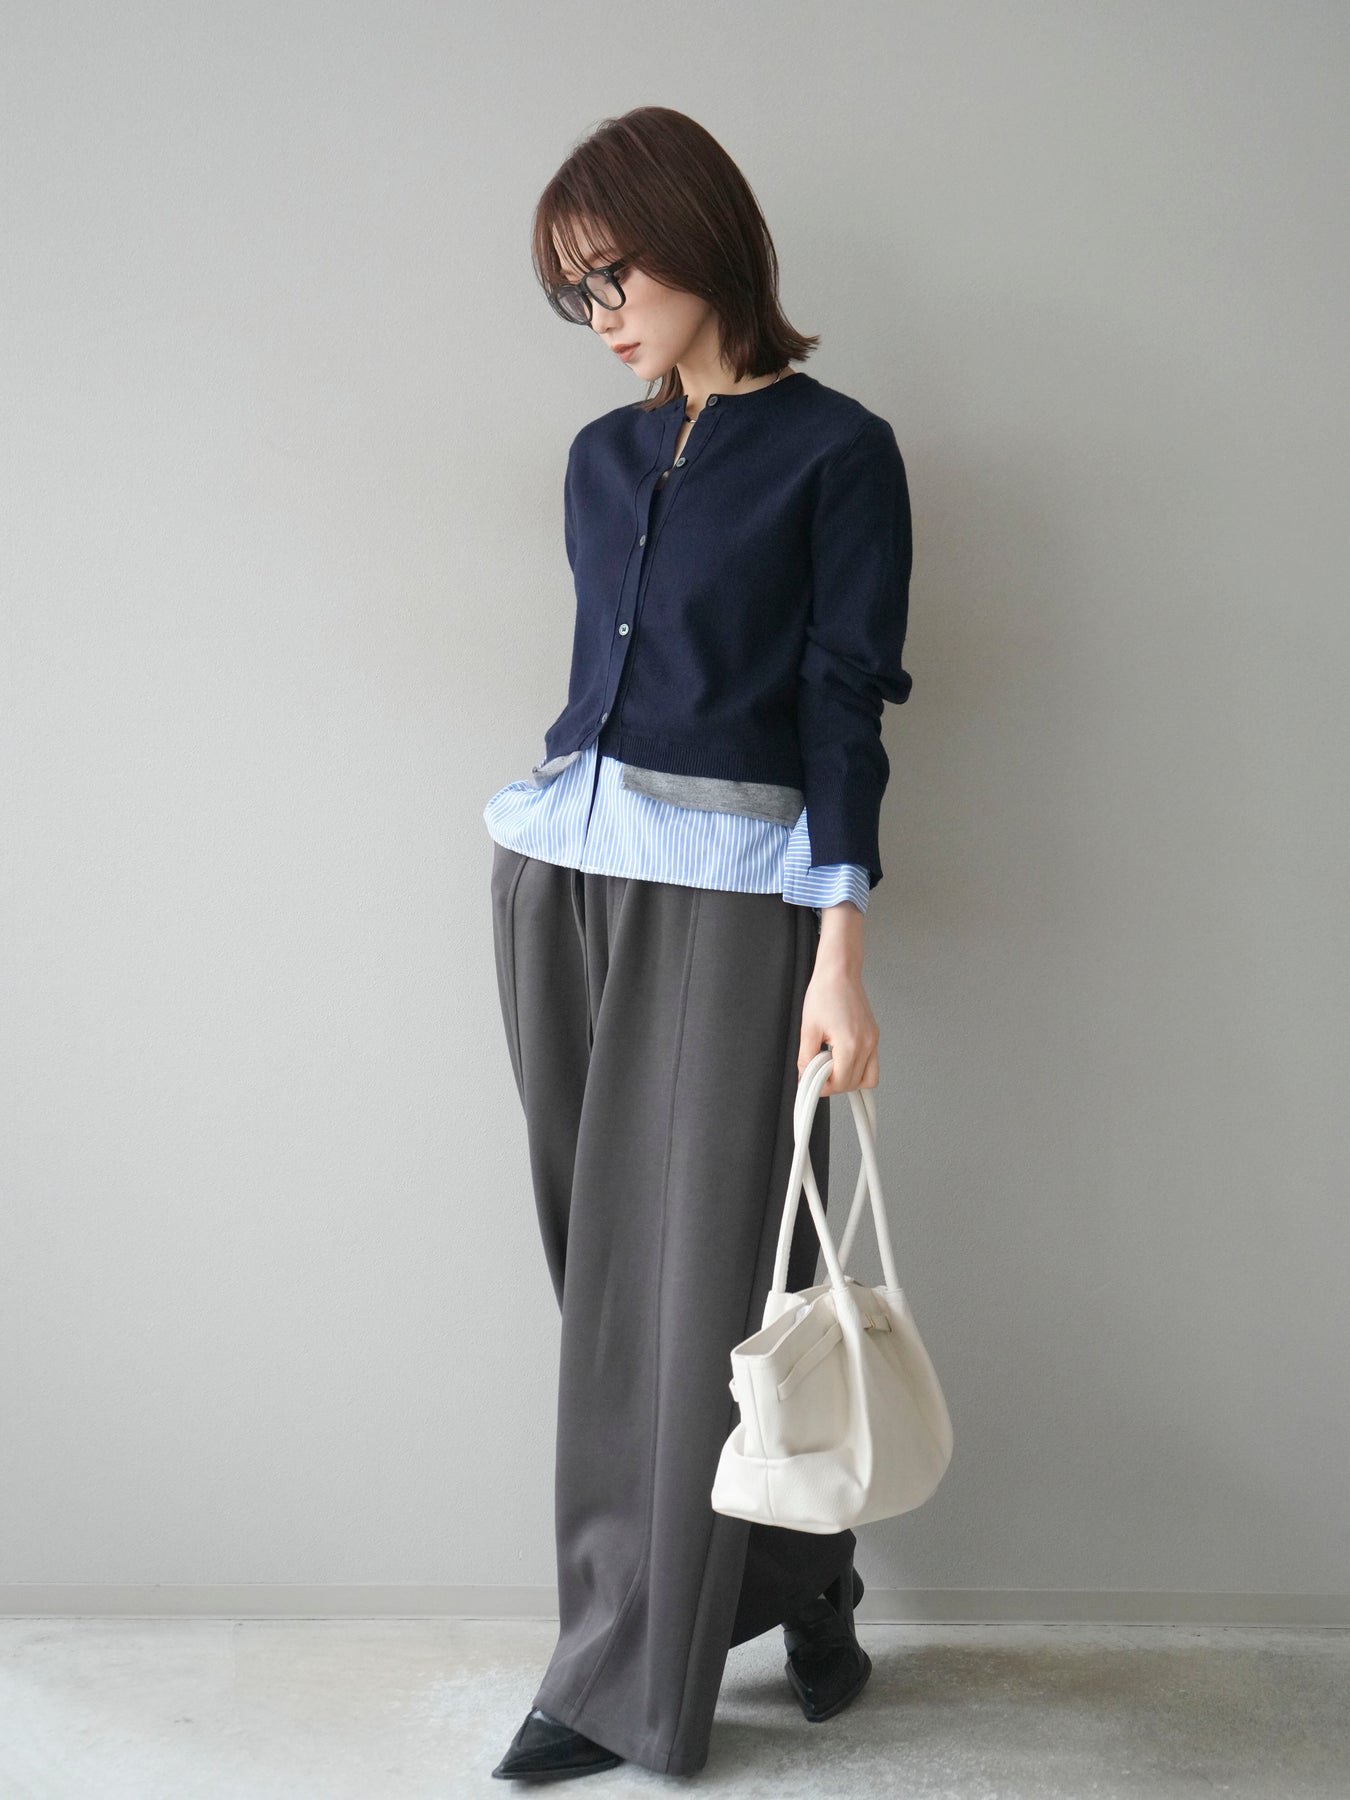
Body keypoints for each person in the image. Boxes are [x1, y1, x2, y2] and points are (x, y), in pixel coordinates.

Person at [483, 105, 913, 1782]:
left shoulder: (836, 452)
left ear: (700, 241)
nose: (598, 313)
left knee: (670, 1294)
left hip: (730, 906)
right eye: (569, 292)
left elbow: (840, 707)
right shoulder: (600, 459)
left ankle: (613, 1676)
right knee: (625, 1281)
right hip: (555, 882)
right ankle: (798, 1580)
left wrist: (838, 950)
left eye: (615, 273)